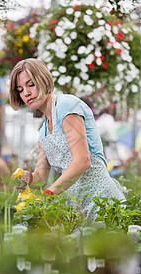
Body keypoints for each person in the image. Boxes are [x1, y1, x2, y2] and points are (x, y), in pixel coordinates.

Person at [9, 58, 126, 219]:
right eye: (20, 89)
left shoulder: (66, 105)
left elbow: (82, 161)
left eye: (31, 84)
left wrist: (48, 196)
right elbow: (41, 177)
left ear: (43, 80)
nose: (26, 93)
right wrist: (26, 177)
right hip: (76, 206)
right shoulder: (43, 131)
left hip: (101, 201)